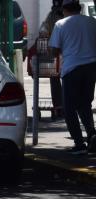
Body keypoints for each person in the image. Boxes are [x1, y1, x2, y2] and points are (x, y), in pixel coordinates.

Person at [49, 0, 96, 154]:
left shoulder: (61, 24)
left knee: (69, 108)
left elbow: (54, 51)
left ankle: (79, 143)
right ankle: (92, 136)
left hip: (72, 69)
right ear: (79, 8)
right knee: (85, 104)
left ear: (64, 10)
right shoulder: (92, 22)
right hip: (91, 68)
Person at [30, 1, 64, 119]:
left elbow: (45, 29)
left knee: (61, 79)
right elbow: (44, 27)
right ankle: (60, 106)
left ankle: (63, 106)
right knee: (55, 77)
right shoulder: (54, 15)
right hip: (58, 54)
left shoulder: (62, 16)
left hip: (63, 54)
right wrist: (43, 32)